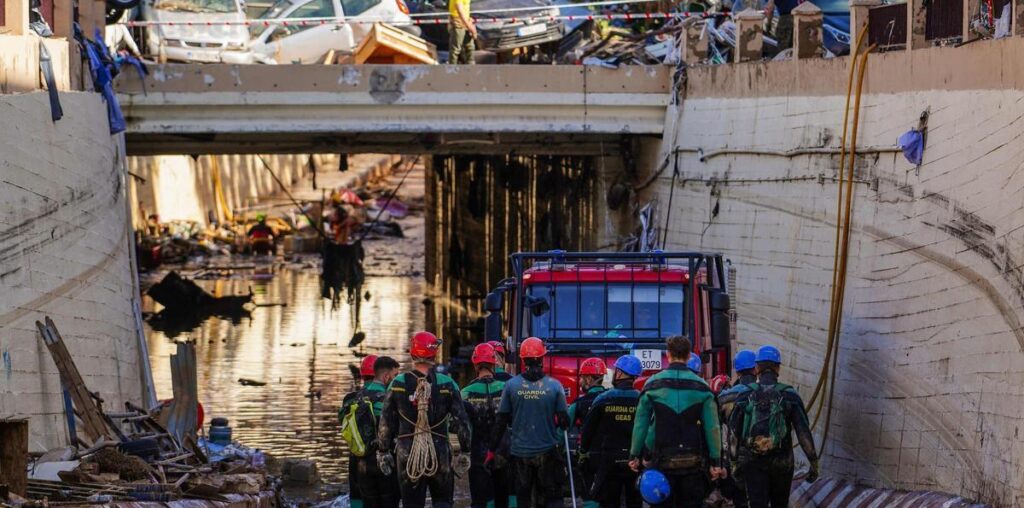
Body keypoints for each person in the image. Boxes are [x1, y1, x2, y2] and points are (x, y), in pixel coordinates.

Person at [629, 335, 726, 508]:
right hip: (693, 464)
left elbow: (641, 424)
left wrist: (635, 455)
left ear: (668, 355)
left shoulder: (652, 385)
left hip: (661, 464)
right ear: (689, 356)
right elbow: (713, 428)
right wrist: (715, 462)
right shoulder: (703, 388)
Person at [378, 332, 472, 508]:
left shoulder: (397, 383)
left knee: (411, 504)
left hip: (408, 452)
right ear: (433, 353)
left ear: (412, 353)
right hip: (440, 452)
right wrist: (465, 451)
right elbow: (462, 422)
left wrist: (383, 451)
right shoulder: (447, 383)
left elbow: (386, 424)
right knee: (443, 503)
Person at [728, 346, 818, 508]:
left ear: (756, 368)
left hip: (753, 461)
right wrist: (813, 461)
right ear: (778, 368)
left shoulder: (744, 395)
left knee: (757, 504)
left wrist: (734, 463)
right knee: (780, 504)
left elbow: (734, 433)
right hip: (782, 462)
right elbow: (803, 432)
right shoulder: (790, 395)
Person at [489, 337, 569, 508]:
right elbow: (564, 422)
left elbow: (501, 421)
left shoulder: (511, 385)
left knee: (523, 498)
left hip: (520, 453)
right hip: (546, 451)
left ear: (523, 359)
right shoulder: (555, 386)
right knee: (544, 496)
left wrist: (491, 449)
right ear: (542, 358)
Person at [579, 355, 643, 508]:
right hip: (634, 460)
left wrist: (583, 452)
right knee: (634, 502)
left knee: (609, 502)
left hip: (608, 460)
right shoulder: (642, 399)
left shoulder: (603, 399)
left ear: (620, 373)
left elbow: (588, 430)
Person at [345, 356, 402, 508]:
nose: (396, 379)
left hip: (359, 461)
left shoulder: (350, 400)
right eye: (395, 376)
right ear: (386, 376)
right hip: (386, 461)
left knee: (363, 501)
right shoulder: (391, 401)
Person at [462, 344, 512, 508]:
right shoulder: (507, 389)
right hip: (504, 452)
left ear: (475, 365)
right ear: (494, 365)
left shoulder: (466, 392)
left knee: (479, 501)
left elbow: (457, 426)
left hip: (478, 454)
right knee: (503, 499)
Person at [713, 349, 758, 508]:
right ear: (755, 369)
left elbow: (716, 430)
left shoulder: (725, 397)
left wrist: (719, 463)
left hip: (735, 457)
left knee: (739, 499)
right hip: (762, 456)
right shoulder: (765, 393)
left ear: (737, 371)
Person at [341, 355, 379, 508]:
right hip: (379, 457)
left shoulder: (349, 398)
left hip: (356, 456)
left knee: (356, 495)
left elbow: (342, 422)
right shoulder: (387, 397)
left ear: (362, 375)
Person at [569, 357, 608, 508]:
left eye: (582, 378)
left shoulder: (578, 404)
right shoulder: (611, 398)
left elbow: (563, 428)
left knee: (589, 494)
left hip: (588, 457)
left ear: (590, 379)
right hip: (609, 455)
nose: (580, 382)